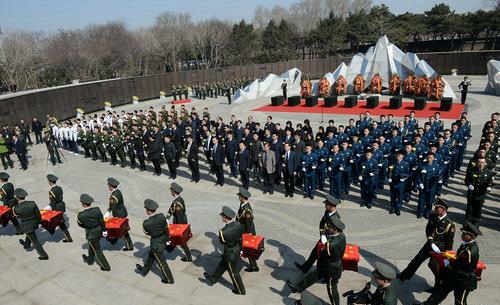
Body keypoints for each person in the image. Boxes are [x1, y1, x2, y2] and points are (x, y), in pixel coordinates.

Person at [415, 221, 481, 305]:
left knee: (459, 302)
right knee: (440, 292)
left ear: (472, 236)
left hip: (463, 279)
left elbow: (462, 266)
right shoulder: (465, 245)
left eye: (464, 234)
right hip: (455, 275)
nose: (462, 235)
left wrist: (448, 263)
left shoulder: (470, 251)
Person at [287, 216, 346, 305]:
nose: (328, 228)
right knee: (313, 276)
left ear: (334, 229)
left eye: (329, 227)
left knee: (331, 289)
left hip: (331, 269)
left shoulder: (332, 245)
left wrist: (324, 243)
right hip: (327, 265)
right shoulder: (342, 235)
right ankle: (296, 288)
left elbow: (321, 255)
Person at [399, 199, 455, 285]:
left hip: (440, 249)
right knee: (417, 260)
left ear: (443, 209)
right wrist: (431, 241)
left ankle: (437, 286)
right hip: (430, 244)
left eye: (437, 208)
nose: (435, 209)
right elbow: (428, 230)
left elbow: (449, 241)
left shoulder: (449, 224)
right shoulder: (433, 216)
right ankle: (404, 276)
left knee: (435, 267)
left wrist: (446, 254)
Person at [295, 194, 342, 274]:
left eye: (326, 204)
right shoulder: (327, 212)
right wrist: (322, 235)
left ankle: (324, 274)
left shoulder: (337, 218)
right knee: (314, 252)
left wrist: (329, 241)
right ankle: (305, 268)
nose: (325, 206)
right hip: (324, 238)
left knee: (324, 259)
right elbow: (322, 223)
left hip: (330, 242)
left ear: (331, 205)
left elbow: (338, 233)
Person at [203, 206, 246, 295]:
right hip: (236, 249)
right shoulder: (238, 224)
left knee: (234, 273)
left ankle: (240, 290)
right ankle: (212, 280)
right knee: (222, 266)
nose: (222, 217)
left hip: (230, 254)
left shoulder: (223, 232)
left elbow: (222, 242)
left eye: (222, 216)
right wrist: (241, 250)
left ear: (225, 218)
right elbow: (240, 238)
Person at [136, 199, 175, 284]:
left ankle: (169, 279)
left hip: (156, 245)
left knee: (162, 264)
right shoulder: (161, 216)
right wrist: (168, 239)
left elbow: (147, 232)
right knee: (151, 256)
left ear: (147, 210)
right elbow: (166, 229)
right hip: (163, 240)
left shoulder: (146, 223)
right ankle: (144, 271)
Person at [77, 193, 111, 271]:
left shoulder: (81, 215)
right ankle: (90, 259)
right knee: (92, 245)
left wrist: (88, 226)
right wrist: (104, 230)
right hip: (99, 231)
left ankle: (106, 266)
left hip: (91, 234)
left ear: (83, 203)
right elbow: (102, 221)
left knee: (98, 251)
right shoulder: (97, 210)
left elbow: (80, 224)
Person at [13, 188, 49, 260]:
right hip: (35, 223)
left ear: (16, 197)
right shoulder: (32, 203)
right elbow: (38, 215)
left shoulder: (16, 208)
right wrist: (38, 222)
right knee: (30, 234)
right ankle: (26, 244)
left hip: (27, 227)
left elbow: (16, 216)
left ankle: (44, 256)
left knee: (35, 242)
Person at [166, 182, 192, 262]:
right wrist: (167, 218)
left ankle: (188, 257)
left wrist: (178, 228)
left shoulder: (177, 204)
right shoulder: (176, 201)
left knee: (181, 241)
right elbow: (171, 209)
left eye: (171, 191)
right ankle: (170, 248)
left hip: (180, 223)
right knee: (178, 240)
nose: (170, 192)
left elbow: (179, 217)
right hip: (179, 221)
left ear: (173, 192)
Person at [464, 157, 494, 226]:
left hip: (481, 195)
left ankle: (476, 222)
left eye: (482, 162)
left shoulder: (488, 173)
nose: (481, 164)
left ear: (485, 163)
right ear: (477, 163)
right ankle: (467, 222)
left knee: (478, 209)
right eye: (479, 162)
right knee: (470, 208)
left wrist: (489, 187)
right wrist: (469, 185)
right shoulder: (471, 171)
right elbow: (467, 180)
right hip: (472, 194)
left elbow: (490, 182)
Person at [105, 178, 133, 251]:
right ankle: (115, 240)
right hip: (122, 212)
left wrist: (110, 214)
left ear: (110, 186)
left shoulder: (113, 196)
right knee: (123, 230)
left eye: (108, 185)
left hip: (119, 214)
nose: (108, 186)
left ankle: (128, 245)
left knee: (122, 230)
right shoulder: (118, 192)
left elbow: (113, 207)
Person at [43, 174, 72, 242]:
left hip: (56, 208)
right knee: (60, 222)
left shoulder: (51, 192)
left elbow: (53, 203)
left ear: (50, 182)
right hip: (61, 206)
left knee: (54, 222)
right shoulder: (59, 188)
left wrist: (47, 208)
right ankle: (68, 237)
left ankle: (52, 231)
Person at [235, 188, 258, 272]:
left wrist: (248, 235)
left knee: (249, 250)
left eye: (239, 196)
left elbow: (249, 224)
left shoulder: (247, 210)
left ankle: (254, 267)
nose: (239, 198)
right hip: (242, 231)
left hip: (247, 232)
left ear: (242, 197)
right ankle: (254, 266)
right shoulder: (242, 205)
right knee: (247, 250)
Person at [416, 152, 442, 219]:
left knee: (430, 201)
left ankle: (427, 212)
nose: (429, 159)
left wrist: (438, 180)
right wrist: (420, 183)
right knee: (421, 200)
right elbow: (418, 176)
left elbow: (439, 176)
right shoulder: (422, 165)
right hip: (423, 186)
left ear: (433, 158)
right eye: (428, 157)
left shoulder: (437, 166)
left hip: (432, 187)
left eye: (430, 157)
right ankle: (420, 212)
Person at [388, 150, 410, 216]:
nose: (398, 157)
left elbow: (407, 174)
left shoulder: (405, 164)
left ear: (402, 156)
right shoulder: (392, 163)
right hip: (393, 182)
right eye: (397, 156)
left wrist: (404, 178)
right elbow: (389, 172)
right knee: (393, 196)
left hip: (400, 183)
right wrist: (388, 178)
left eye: (399, 156)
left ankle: (398, 209)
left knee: (400, 197)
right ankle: (392, 208)